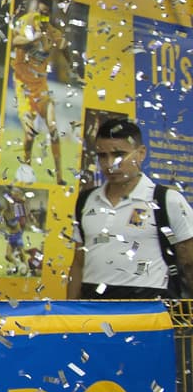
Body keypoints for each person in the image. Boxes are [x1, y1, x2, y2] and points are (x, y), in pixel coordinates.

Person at [68, 118, 193, 299]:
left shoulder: (167, 200)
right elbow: (79, 263)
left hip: (150, 302)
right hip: (92, 304)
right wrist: (70, 313)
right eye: (103, 156)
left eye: (119, 154)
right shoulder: (86, 201)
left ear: (141, 153)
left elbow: (189, 262)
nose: (110, 164)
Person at [11, 0, 74, 186]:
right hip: (23, 86)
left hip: (41, 87)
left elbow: (63, 46)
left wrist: (72, 66)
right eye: (39, 12)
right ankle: (26, 169)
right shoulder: (25, 22)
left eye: (46, 14)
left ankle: (59, 177)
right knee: (30, 135)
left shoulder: (52, 32)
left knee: (53, 129)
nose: (41, 16)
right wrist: (33, 38)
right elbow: (14, 41)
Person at [0, 188, 29, 275]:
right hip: (11, 237)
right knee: (7, 256)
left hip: (18, 235)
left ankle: (26, 269)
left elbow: (21, 202)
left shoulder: (16, 210)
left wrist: (12, 194)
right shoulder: (3, 213)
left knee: (22, 254)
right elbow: (0, 224)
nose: (7, 202)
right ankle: (19, 265)